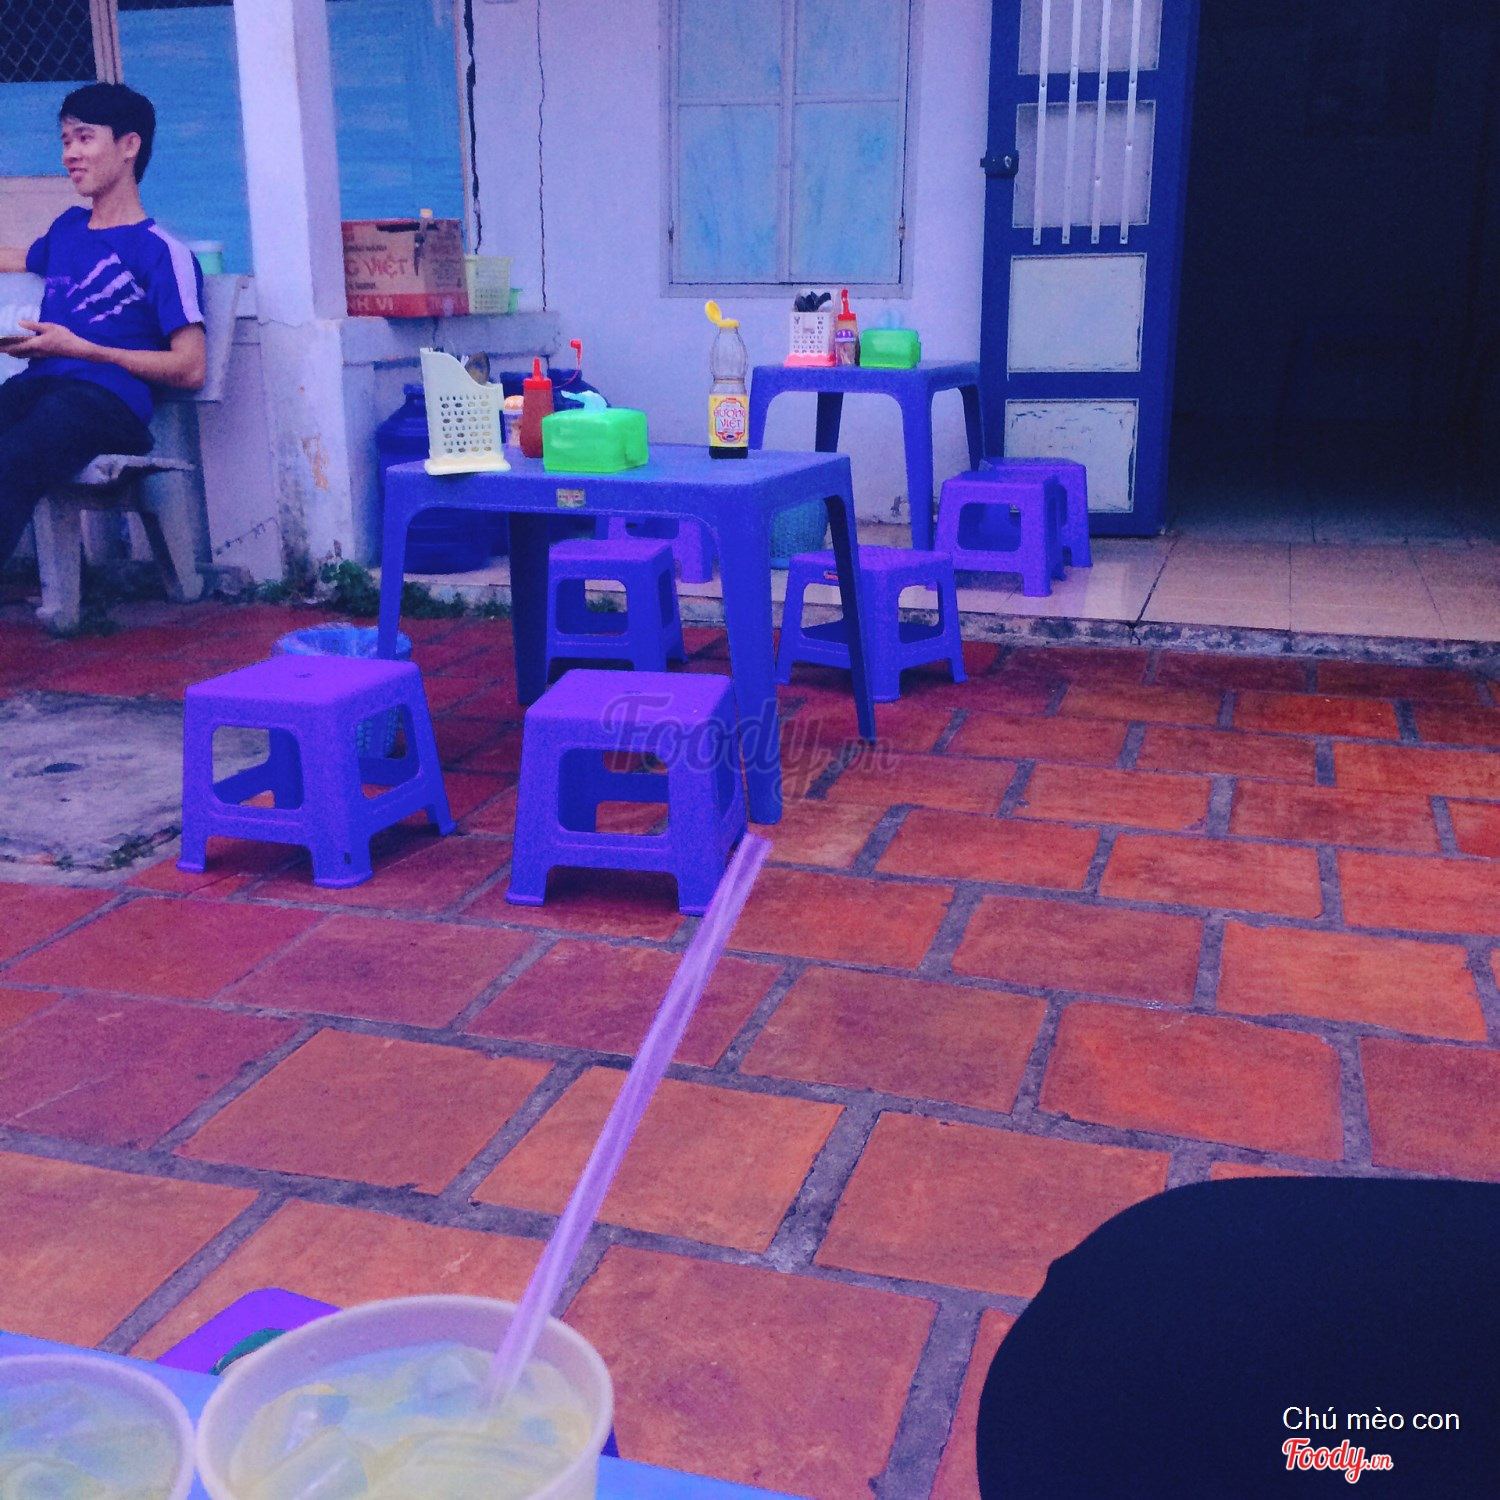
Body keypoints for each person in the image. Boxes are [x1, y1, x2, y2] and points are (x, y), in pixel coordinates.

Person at [0, 82, 206, 573]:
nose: (70, 154)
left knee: (12, 458)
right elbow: (17, 258)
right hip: (42, 387)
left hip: (107, 403)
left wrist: (84, 349)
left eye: (85, 138)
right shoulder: (68, 229)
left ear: (129, 145)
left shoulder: (161, 252)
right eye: (66, 140)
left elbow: (191, 367)